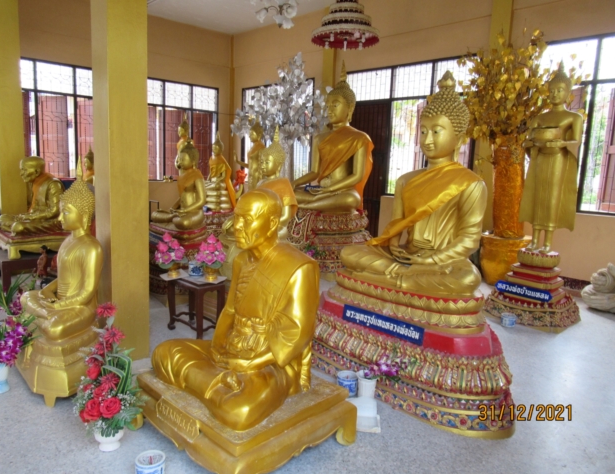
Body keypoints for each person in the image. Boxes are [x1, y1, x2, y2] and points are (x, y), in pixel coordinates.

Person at [152, 189, 319, 431]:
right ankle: (219, 384)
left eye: (246, 219)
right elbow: (230, 310)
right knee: (164, 352)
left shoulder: (299, 267)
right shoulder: (242, 260)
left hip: (270, 363)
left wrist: (248, 365)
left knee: (239, 411)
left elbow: (296, 335)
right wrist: (217, 349)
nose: (236, 227)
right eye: (236, 217)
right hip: (233, 349)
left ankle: (214, 384)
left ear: (272, 223)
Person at [340, 72, 486, 297]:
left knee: (468, 278)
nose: (427, 139)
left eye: (436, 132)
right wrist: (394, 246)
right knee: (349, 253)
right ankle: (403, 278)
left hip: (443, 262)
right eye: (423, 131)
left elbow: (469, 240)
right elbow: (396, 226)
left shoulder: (471, 184)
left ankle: (388, 280)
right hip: (406, 256)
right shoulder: (406, 180)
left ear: (459, 137)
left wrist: (432, 259)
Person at [21, 172, 102, 342]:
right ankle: (45, 315)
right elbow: (65, 277)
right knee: (26, 297)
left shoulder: (91, 247)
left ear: (84, 215)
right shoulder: (68, 241)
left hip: (80, 307)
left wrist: (59, 305)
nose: (59, 218)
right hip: (58, 302)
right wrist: (48, 290)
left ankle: (43, 317)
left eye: (65, 212)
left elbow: (87, 292)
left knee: (54, 329)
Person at [519, 64, 584, 253]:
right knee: (538, 198)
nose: (555, 94)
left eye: (560, 90)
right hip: (540, 159)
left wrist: (562, 143)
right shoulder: (540, 118)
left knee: (552, 198)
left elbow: (576, 141)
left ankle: (547, 242)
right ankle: (534, 240)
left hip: (558, 160)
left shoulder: (573, 117)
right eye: (552, 90)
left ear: (568, 93)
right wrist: (531, 144)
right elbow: (528, 141)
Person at [291, 62, 373, 213]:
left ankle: (306, 206)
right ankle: (312, 203)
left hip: (342, 191)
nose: (329, 110)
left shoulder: (359, 138)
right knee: (293, 193)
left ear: (350, 108)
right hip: (321, 190)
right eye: (328, 106)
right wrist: (294, 183)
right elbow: (315, 172)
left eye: (335, 105)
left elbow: (357, 176)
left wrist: (330, 189)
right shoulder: (319, 138)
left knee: (352, 199)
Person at [0, 156, 65, 236]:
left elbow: (55, 211)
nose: (21, 173)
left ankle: (14, 229)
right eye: (21, 170)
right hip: (33, 218)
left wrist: (31, 217)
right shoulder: (33, 183)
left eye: (24, 170)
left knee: (19, 226)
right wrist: (26, 216)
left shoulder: (53, 184)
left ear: (36, 172)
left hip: (49, 221)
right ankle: (14, 229)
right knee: (2, 218)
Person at [150, 140, 206, 231]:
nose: (180, 162)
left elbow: (202, 200)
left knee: (183, 222)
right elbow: (181, 197)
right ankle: (172, 217)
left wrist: (185, 210)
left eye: (183, 160)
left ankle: (172, 218)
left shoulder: (197, 176)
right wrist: (172, 208)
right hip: (180, 211)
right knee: (154, 215)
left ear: (193, 162)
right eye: (180, 159)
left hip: (194, 212)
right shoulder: (182, 176)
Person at [204, 132, 236, 211]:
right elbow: (211, 173)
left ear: (221, 150)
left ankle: (218, 207)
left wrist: (218, 180)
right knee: (203, 185)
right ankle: (207, 207)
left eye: (216, 148)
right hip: (212, 181)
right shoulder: (211, 159)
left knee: (216, 186)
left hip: (220, 182)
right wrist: (207, 180)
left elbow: (223, 176)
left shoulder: (221, 160)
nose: (214, 150)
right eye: (213, 148)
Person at [236, 120, 266, 191]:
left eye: (252, 134)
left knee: (257, 194)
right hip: (251, 176)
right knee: (251, 194)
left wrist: (261, 180)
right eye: (250, 134)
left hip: (258, 177)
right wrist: (238, 161)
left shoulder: (261, 148)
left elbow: (263, 166)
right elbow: (249, 166)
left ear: (258, 135)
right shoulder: (252, 148)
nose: (249, 136)